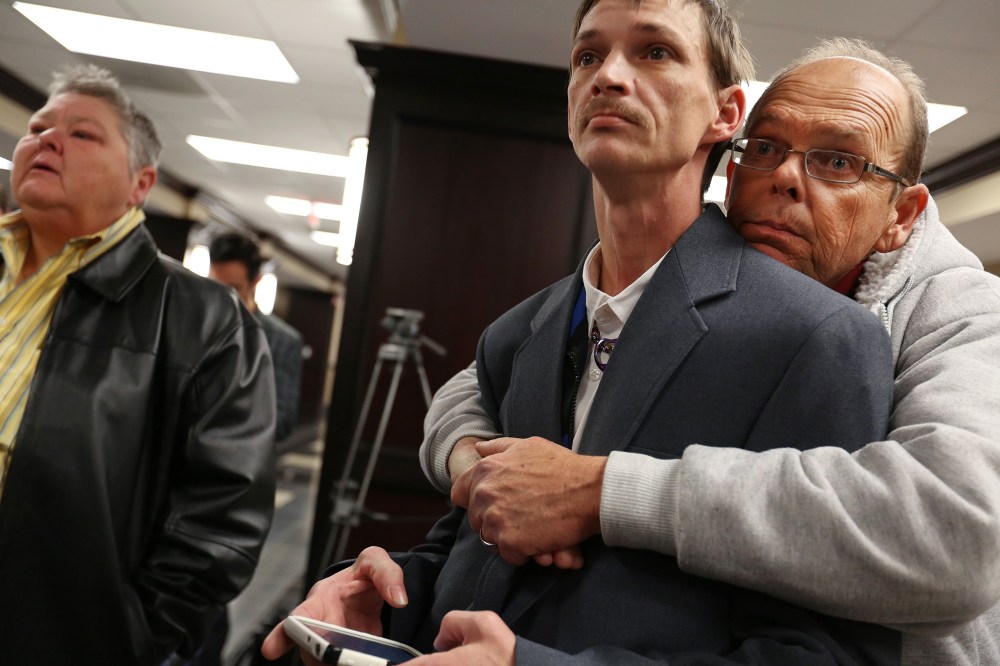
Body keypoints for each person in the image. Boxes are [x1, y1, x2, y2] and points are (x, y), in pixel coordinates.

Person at [264, 1, 902, 663]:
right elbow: (481, 549)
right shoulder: (518, 333)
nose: (610, 76)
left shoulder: (815, 336)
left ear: (726, 112)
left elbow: (820, 653)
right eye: (588, 55)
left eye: (655, 51)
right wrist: (389, 593)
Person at [420, 38, 1000, 665]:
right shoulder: (709, 270)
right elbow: (488, 375)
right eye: (766, 149)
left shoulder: (963, 310)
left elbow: (955, 535)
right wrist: (475, 473)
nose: (784, 178)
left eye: (838, 162)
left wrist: (604, 491)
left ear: (901, 215)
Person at [0, 64, 276, 664]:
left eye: (82, 134)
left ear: (139, 184)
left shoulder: (203, 320)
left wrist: (125, 638)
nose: (47, 139)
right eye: (39, 126)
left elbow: (223, 522)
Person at [210, 232, 304, 442]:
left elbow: (282, 421)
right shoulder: (196, 326)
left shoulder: (282, 340)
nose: (223, 296)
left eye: (234, 288)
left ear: (255, 282)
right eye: (215, 285)